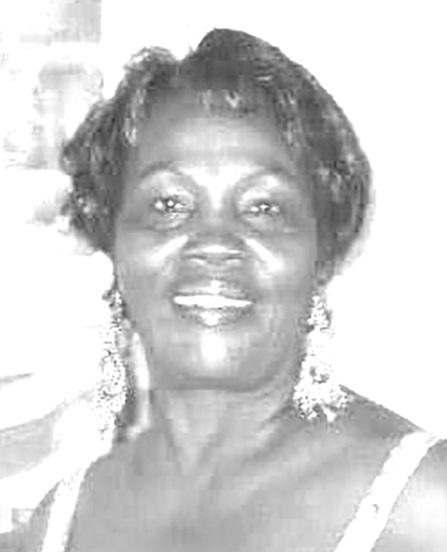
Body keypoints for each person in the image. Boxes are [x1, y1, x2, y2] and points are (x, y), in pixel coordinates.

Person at [15, 28, 447, 552]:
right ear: (114, 243)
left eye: (263, 207)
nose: (215, 243)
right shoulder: (62, 521)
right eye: (168, 204)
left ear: (321, 253)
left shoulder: (426, 507)